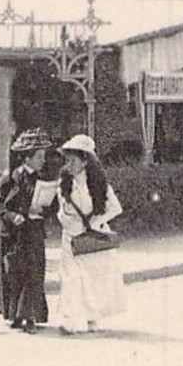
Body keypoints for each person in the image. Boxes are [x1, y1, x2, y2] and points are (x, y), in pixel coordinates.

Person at [0, 130, 57, 333]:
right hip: (12, 236)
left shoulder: (43, 180)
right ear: (27, 157)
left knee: (34, 275)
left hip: (33, 234)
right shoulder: (9, 180)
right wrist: (13, 216)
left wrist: (44, 209)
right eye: (39, 157)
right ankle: (15, 315)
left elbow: (52, 207)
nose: (43, 161)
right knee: (13, 275)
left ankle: (30, 317)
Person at [55, 134, 128, 336]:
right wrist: (67, 221)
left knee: (93, 279)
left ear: (85, 161)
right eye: (67, 159)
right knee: (71, 277)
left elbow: (115, 208)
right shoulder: (64, 184)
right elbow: (61, 211)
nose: (69, 164)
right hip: (71, 237)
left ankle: (91, 316)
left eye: (73, 160)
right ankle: (70, 320)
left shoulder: (99, 184)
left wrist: (94, 222)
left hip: (93, 237)